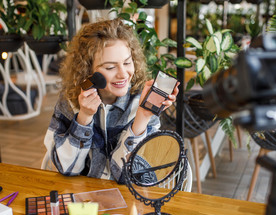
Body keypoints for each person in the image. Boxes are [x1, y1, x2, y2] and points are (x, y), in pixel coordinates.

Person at [43, 18, 178, 183]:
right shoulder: (69, 101)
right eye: (110, 67)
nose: (123, 74)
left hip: (127, 202)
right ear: (87, 69)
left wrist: (142, 117)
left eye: (127, 63)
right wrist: (83, 118)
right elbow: (66, 169)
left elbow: (128, 176)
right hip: (83, 200)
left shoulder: (142, 102)